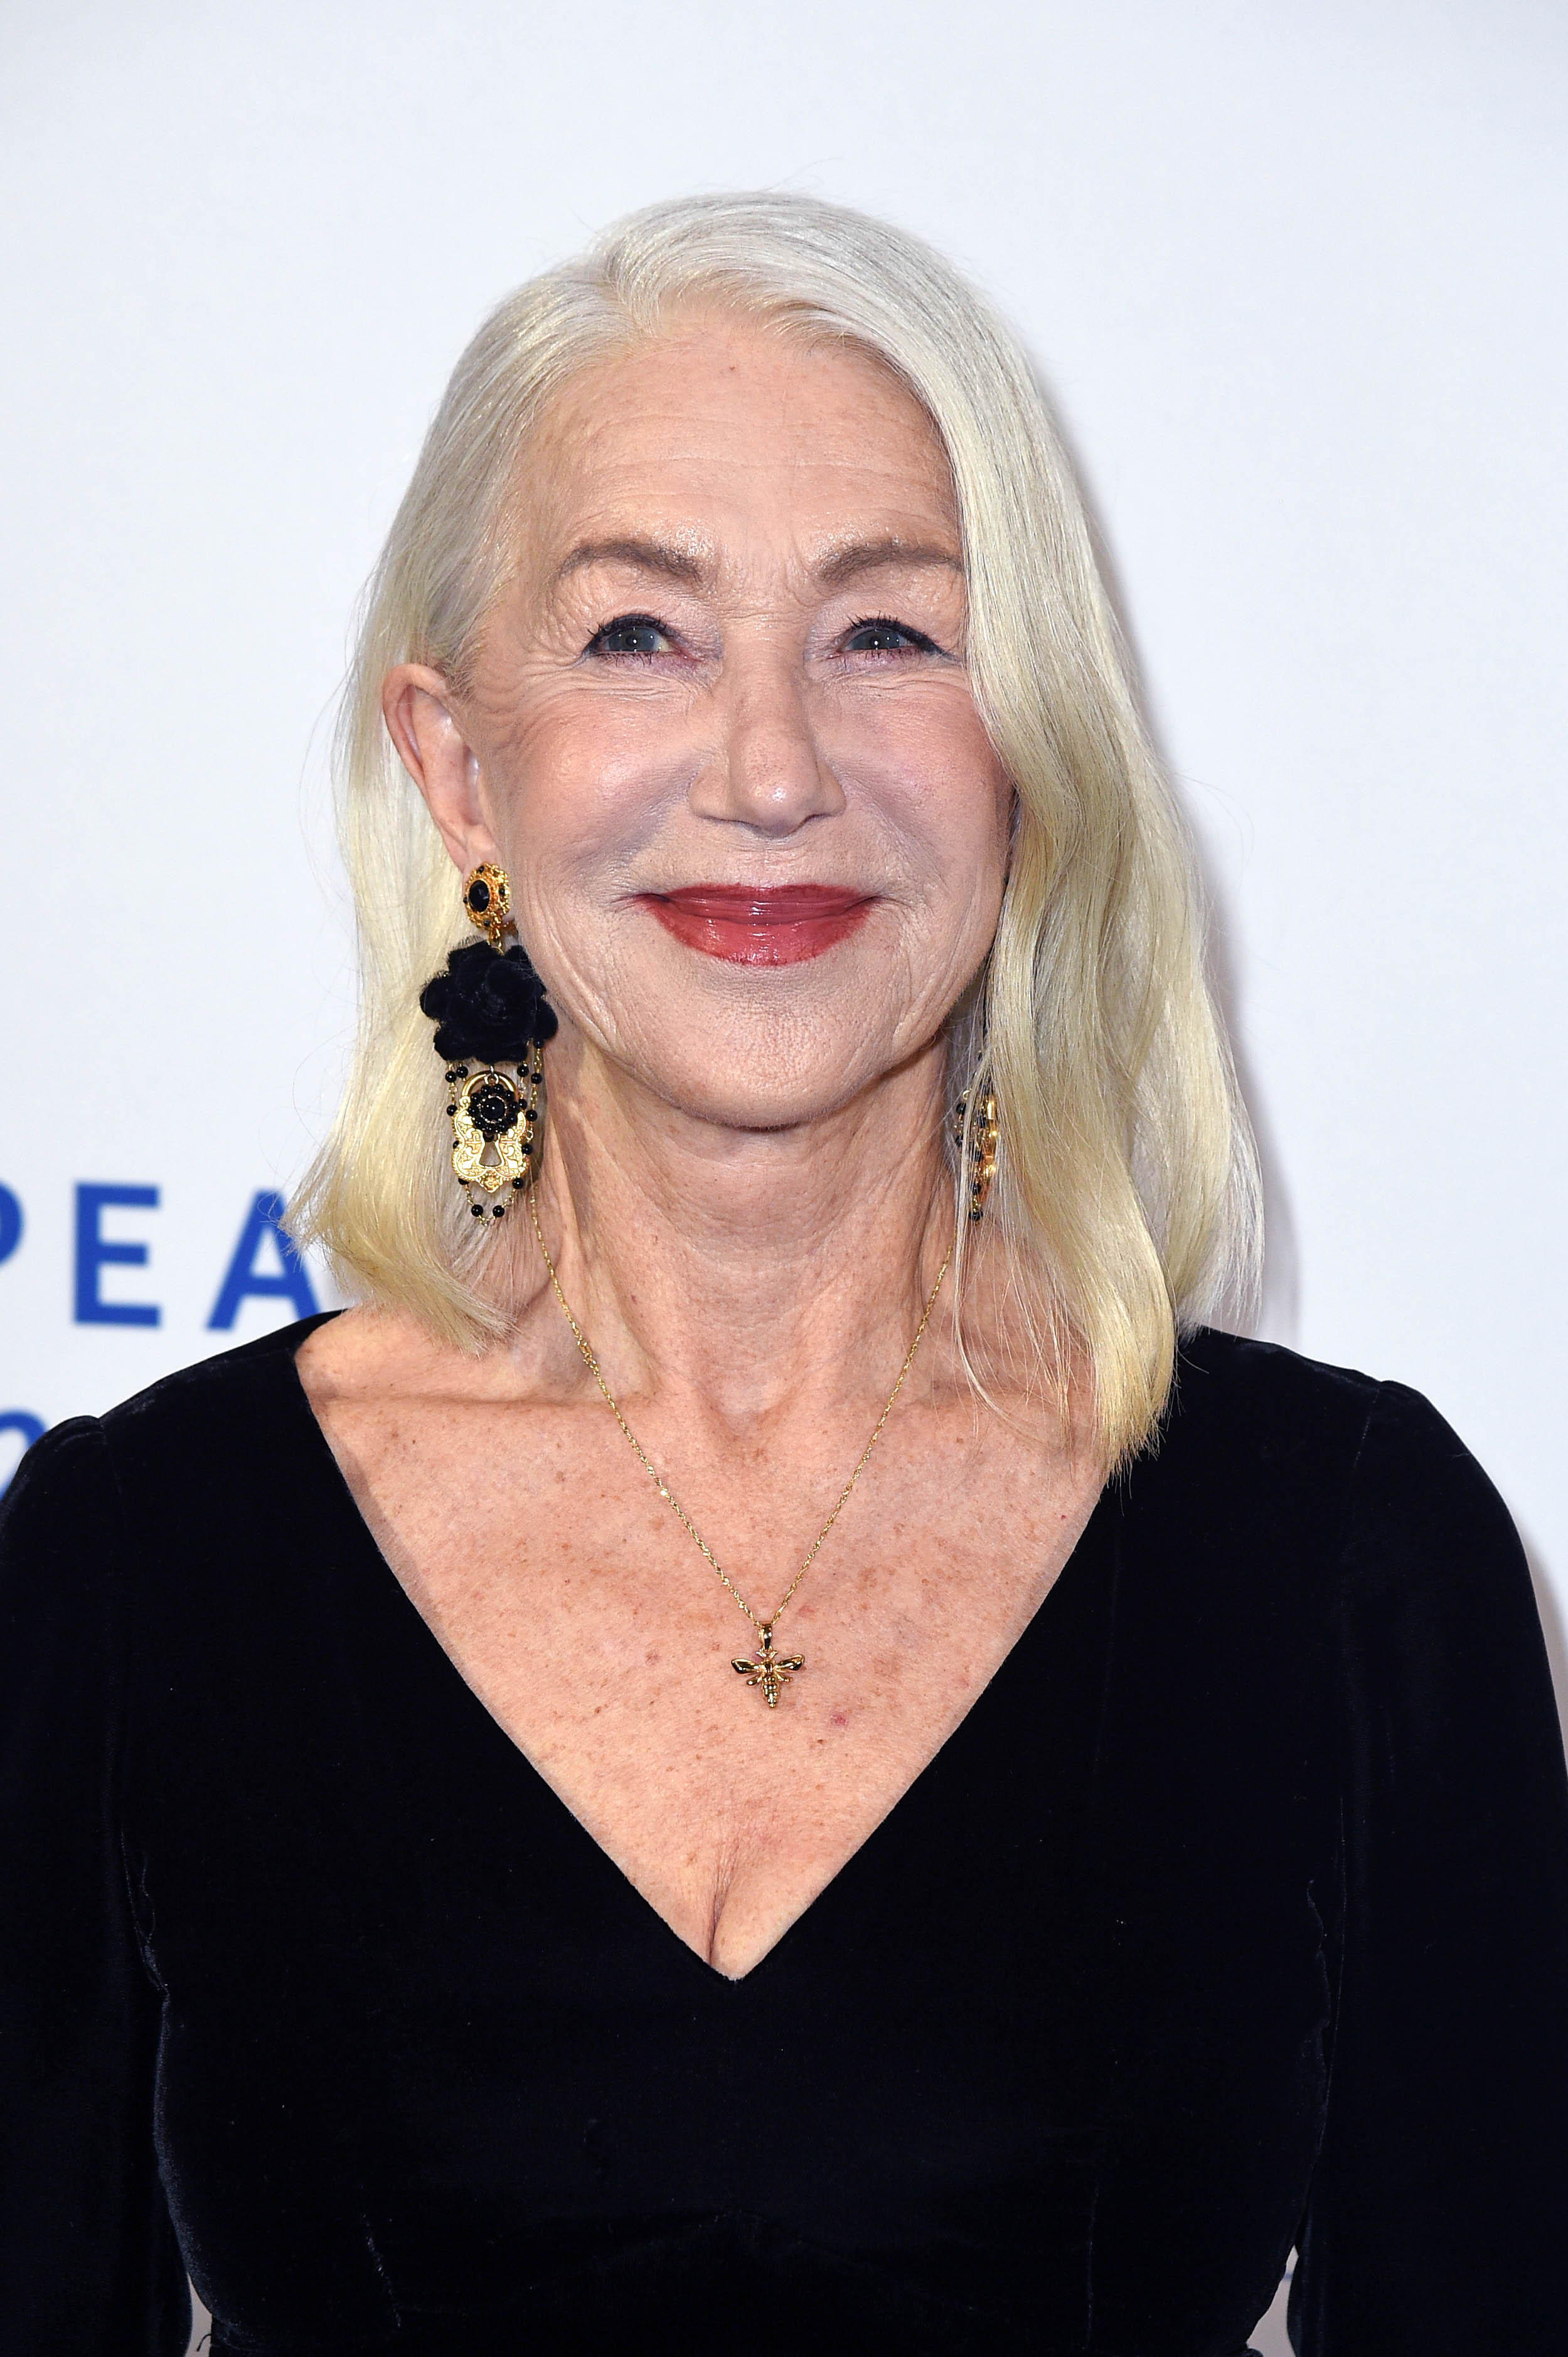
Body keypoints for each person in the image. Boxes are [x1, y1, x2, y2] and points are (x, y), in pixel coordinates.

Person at [3, 192, 1565, 2357]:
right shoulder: (132, 1564)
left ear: (1028, 754)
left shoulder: (1349, 1563)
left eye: (889, 633)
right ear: (461, 763)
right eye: (638, 633)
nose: (767, 769)